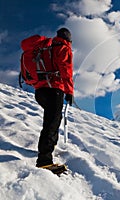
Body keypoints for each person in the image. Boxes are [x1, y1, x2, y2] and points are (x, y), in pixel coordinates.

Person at [34, 27, 74, 167]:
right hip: (54, 90)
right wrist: (69, 92)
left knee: (52, 120)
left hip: (39, 91)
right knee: (52, 123)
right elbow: (66, 70)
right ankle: (44, 160)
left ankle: (48, 148)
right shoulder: (63, 48)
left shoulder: (45, 48)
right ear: (68, 38)